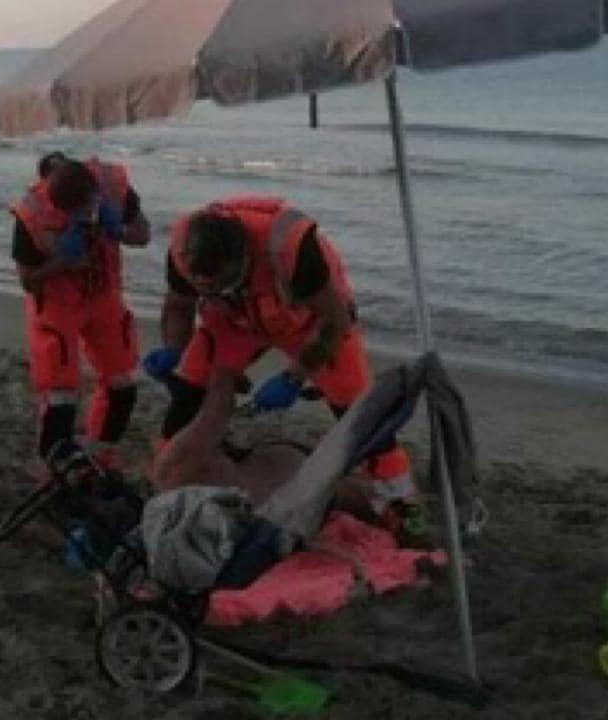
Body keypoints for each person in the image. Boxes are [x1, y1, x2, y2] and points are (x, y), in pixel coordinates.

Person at [141, 196, 424, 541]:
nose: (213, 290)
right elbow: (178, 306)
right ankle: (172, 478)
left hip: (309, 323)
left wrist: (293, 377)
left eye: (222, 282)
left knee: (361, 415)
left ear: (244, 256)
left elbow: (333, 322)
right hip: (233, 322)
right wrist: (173, 349)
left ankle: (401, 503)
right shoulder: (186, 249)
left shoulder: (292, 248)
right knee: (189, 391)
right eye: (207, 287)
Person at [9, 152, 150, 472]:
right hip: (56, 301)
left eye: (86, 208)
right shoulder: (31, 215)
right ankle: (53, 472)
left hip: (103, 295)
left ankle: (100, 455)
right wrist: (62, 259)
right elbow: (28, 282)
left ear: (94, 191)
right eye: (71, 212)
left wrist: (121, 230)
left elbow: (143, 236)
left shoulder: (113, 188)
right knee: (60, 396)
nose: (82, 217)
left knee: (123, 385)